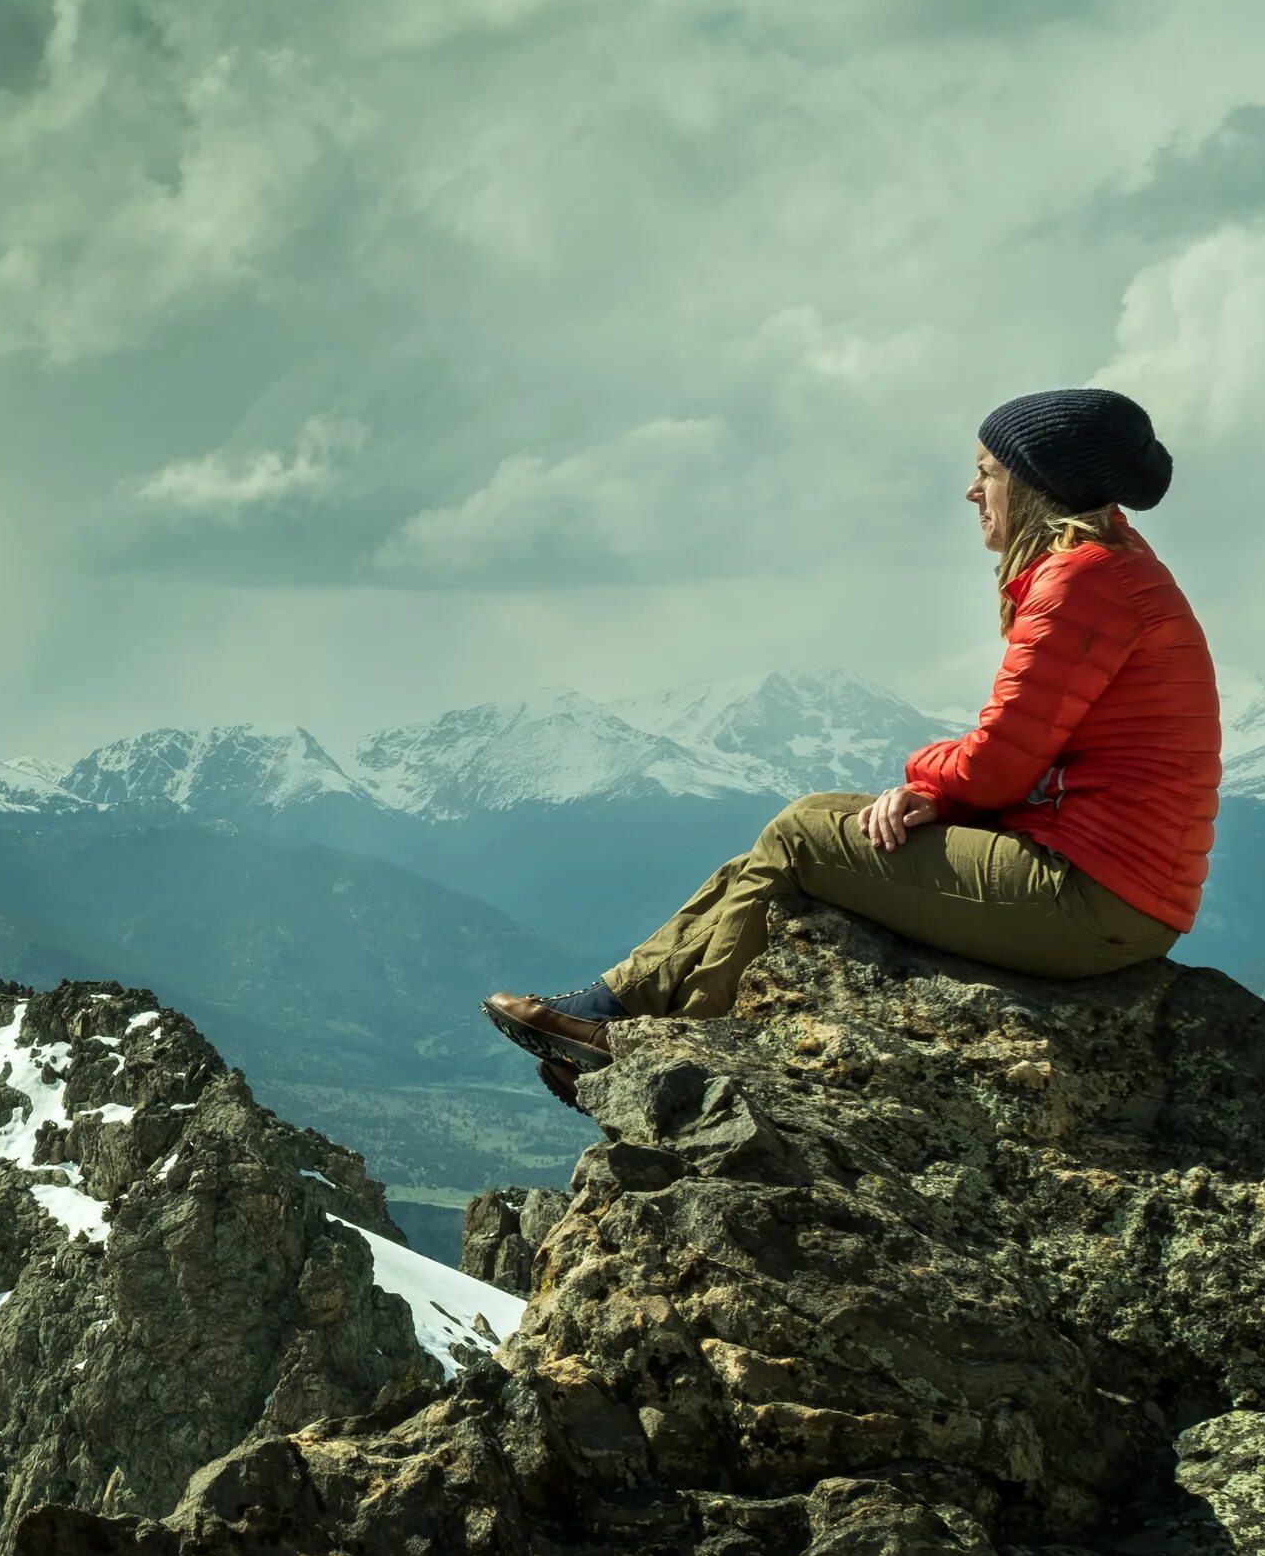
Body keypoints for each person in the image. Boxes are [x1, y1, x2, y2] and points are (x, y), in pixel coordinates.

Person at [485, 387, 1220, 1108]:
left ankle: (667, 1045)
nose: (971, 492)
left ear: (1037, 484)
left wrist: (922, 777)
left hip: (1092, 898)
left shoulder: (1083, 581)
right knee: (797, 837)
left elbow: (998, 765)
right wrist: (942, 792)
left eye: (988, 472)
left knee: (807, 832)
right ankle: (617, 1005)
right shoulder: (1114, 567)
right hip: (1117, 889)